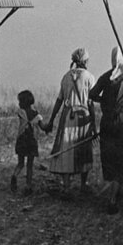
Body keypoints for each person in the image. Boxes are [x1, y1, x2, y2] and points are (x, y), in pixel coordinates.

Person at [89, 46, 123, 214]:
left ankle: (114, 190)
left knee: (110, 156)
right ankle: (113, 197)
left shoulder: (106, 77)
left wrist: (105, 100)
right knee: (122, 157)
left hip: (107, 122)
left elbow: (92, 95)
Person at [44, 48, 96, 194]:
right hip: (83, 117)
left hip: (67, 118)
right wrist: (93, 123)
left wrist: (52, 120)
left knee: (66, 151)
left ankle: (66, 187)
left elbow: (59, 100)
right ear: (85, 61)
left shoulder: (66, 76)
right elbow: (90, 102)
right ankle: (83, 184)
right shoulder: (89, 77)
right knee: (83, 149)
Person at [10, 90, 49, 196]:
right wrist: (47, 127)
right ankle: (28, 186)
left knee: (21, 163)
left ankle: (15, 175)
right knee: (30, 165)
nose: (18, 104)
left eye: (20, 101)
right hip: (31, 141)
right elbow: (42, 126)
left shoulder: (21, 112)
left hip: (21, 140)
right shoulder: (37, 115)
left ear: (23, 103)